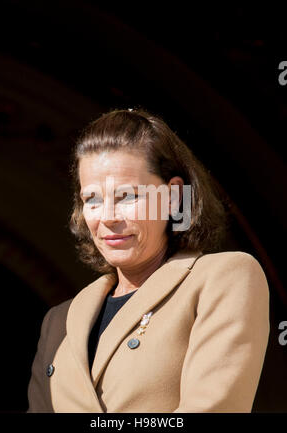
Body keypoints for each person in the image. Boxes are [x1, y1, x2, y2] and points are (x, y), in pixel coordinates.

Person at [27, 108, 270, 413]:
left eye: (127, 196)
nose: (108, 217)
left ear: (173, 196)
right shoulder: (57, 321)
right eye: (92, 199)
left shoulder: (223, 277)